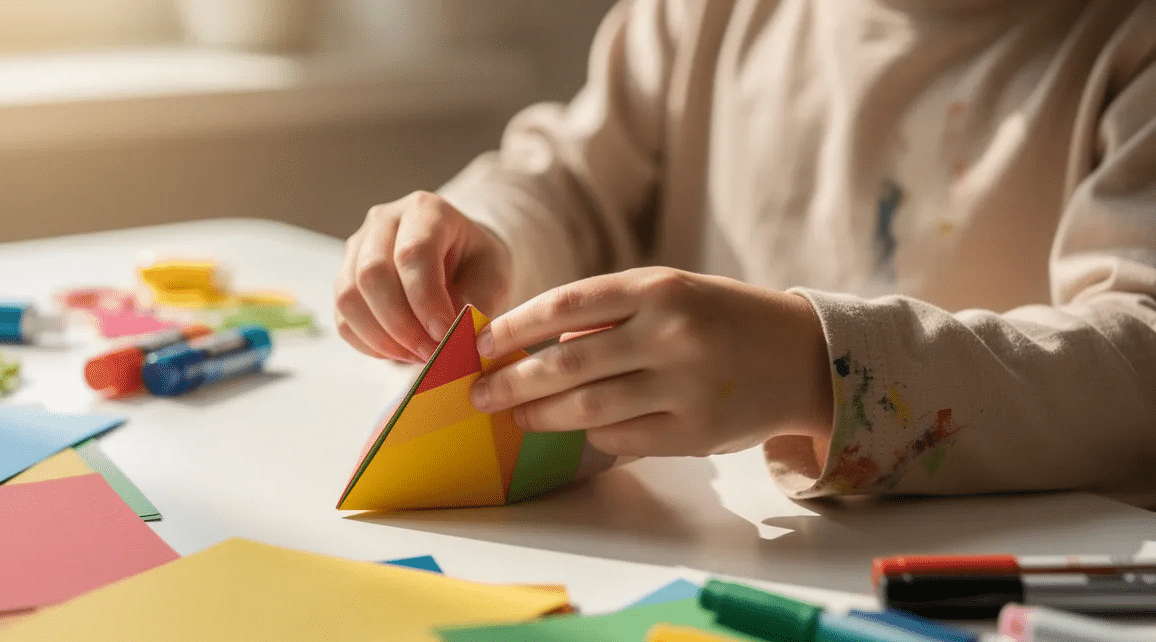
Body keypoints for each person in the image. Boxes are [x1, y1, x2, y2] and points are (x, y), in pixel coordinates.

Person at [333, 0, 1156, 499]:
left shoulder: (1130, 42)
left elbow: (1138, 354)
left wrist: (818, 372)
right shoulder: (699, 16)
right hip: (696, 567)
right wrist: (489, 231)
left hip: (971, 606)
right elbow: (572, 181)